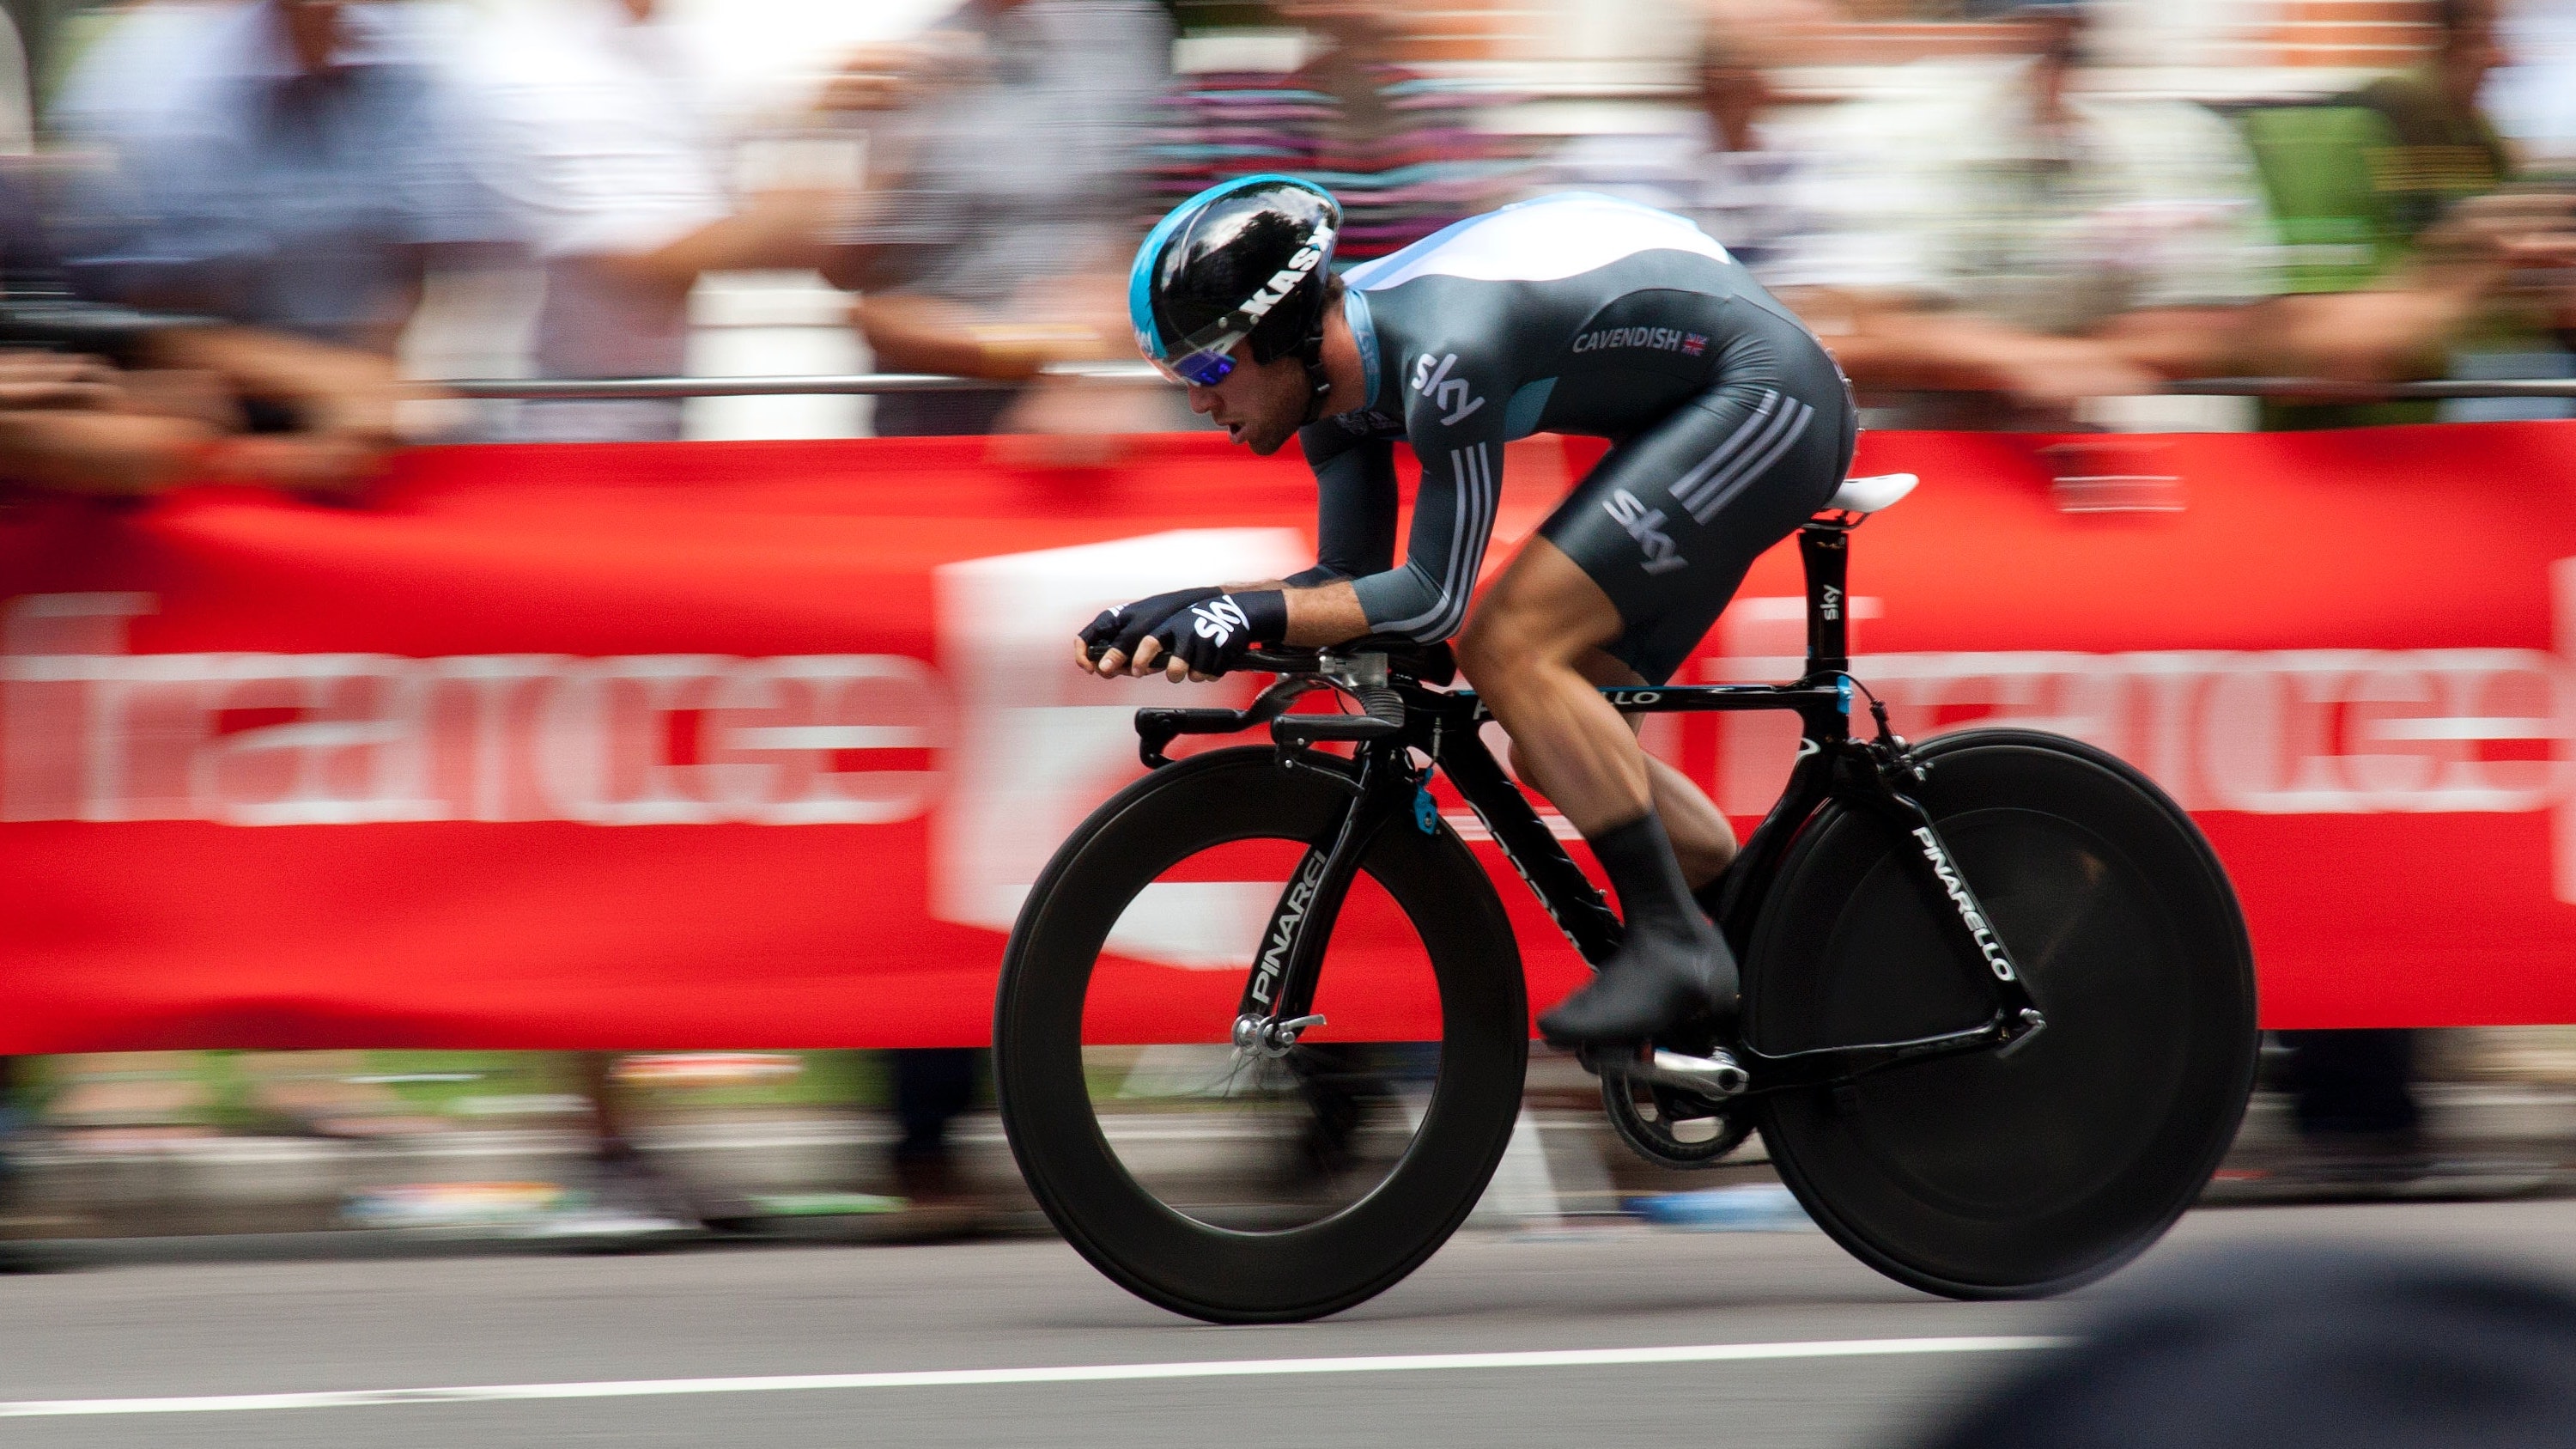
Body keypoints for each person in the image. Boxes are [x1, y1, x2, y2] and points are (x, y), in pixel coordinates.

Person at [1083, 179, 1856, 1048]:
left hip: (1769, 395)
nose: (1199, 400)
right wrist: (1195, 609)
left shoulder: (1443, 351)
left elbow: (1431, 600)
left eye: (1212, 368)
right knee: (1556, 742)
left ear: (1283, 332)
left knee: (1507, 648)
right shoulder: (1332, 398)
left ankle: (1674, 943)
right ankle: (1786, 974)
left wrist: (1241, 613)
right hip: (1694, 407)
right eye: (1182, 377)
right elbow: (1345, 584)